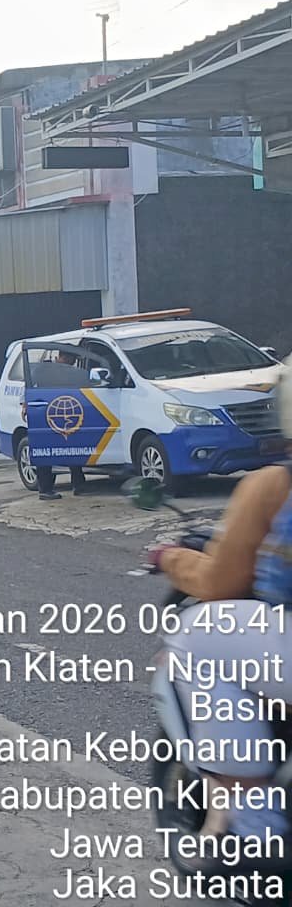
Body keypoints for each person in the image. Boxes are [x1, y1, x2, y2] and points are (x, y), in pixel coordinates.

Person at [150, 354, 292, 878]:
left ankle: (252, 823)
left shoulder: (274, 485)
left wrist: (169, 558)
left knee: (197, 635)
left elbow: (221, 584)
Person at [36, 349, 88, 501]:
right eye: (70, 360)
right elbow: (30, 387)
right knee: (45, 451)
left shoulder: (72, 373)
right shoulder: (43, 370)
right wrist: (25, 403)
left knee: (72, 448)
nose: (71, 364)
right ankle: (45, 489)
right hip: (46, 413)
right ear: (61, 357)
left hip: (68, 412)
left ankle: (78, 484)